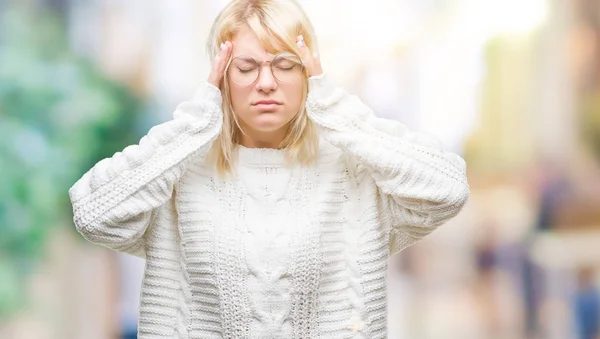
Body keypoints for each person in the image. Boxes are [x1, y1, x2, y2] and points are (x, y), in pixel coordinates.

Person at [68, 0, 470, 338]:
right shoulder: (179, 171)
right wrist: (195, 122)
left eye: (284, 65)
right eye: (245, 68)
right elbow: (93, 215)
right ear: (221, 77)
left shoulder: (355, 174)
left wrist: (335, 109)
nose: (265, 82)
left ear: (308, 72)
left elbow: (448, 188)